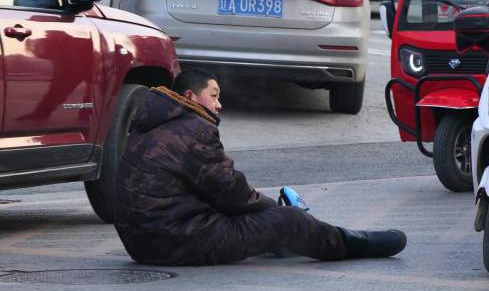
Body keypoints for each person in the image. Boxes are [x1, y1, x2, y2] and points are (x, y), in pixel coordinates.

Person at [113, 69, 406, 265]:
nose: (219, 105)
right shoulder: (194, 129)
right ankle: (351, 243)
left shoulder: (149, 127)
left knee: (257, 223)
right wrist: (274, 212)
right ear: (190, 97)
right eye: (213, 96)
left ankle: (284, 239)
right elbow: (231, 192)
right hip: (171, 242)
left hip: (140, 242)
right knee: (287, 222)